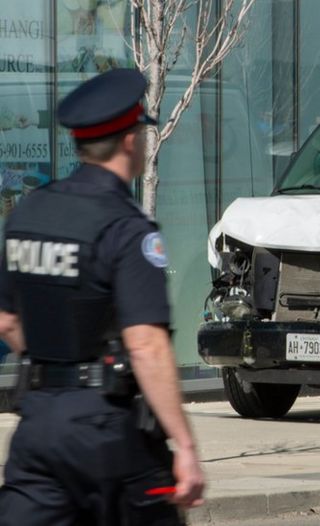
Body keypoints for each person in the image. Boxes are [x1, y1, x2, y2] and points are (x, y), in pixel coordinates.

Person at [0, 69, 204, 525]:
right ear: (131, 141)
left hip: (38, 424)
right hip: (109, 435)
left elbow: (6, 320)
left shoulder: (29, 211)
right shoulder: (127, 228)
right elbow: (146, 346)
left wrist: (54, 365)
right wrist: (186, 446)